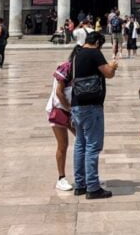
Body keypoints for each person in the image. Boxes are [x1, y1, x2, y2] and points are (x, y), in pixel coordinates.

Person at [70, 31, 119, 198]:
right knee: (92, 145)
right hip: (91, 106)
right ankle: (92, 187)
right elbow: (108, 73)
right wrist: (113, 66)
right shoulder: (94, 53)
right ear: (97, 42)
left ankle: (80, 184)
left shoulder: (76, 54)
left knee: (80, 144)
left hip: (77, 104)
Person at [46, 47, 77, 191]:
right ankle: (61, 178)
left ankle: (86, 175)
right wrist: (69, 109)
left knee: (85, 141)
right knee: (63, 144)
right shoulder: (66, 68)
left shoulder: (81, 70)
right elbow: (59, 92)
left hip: (72, 110)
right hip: (59, 109)